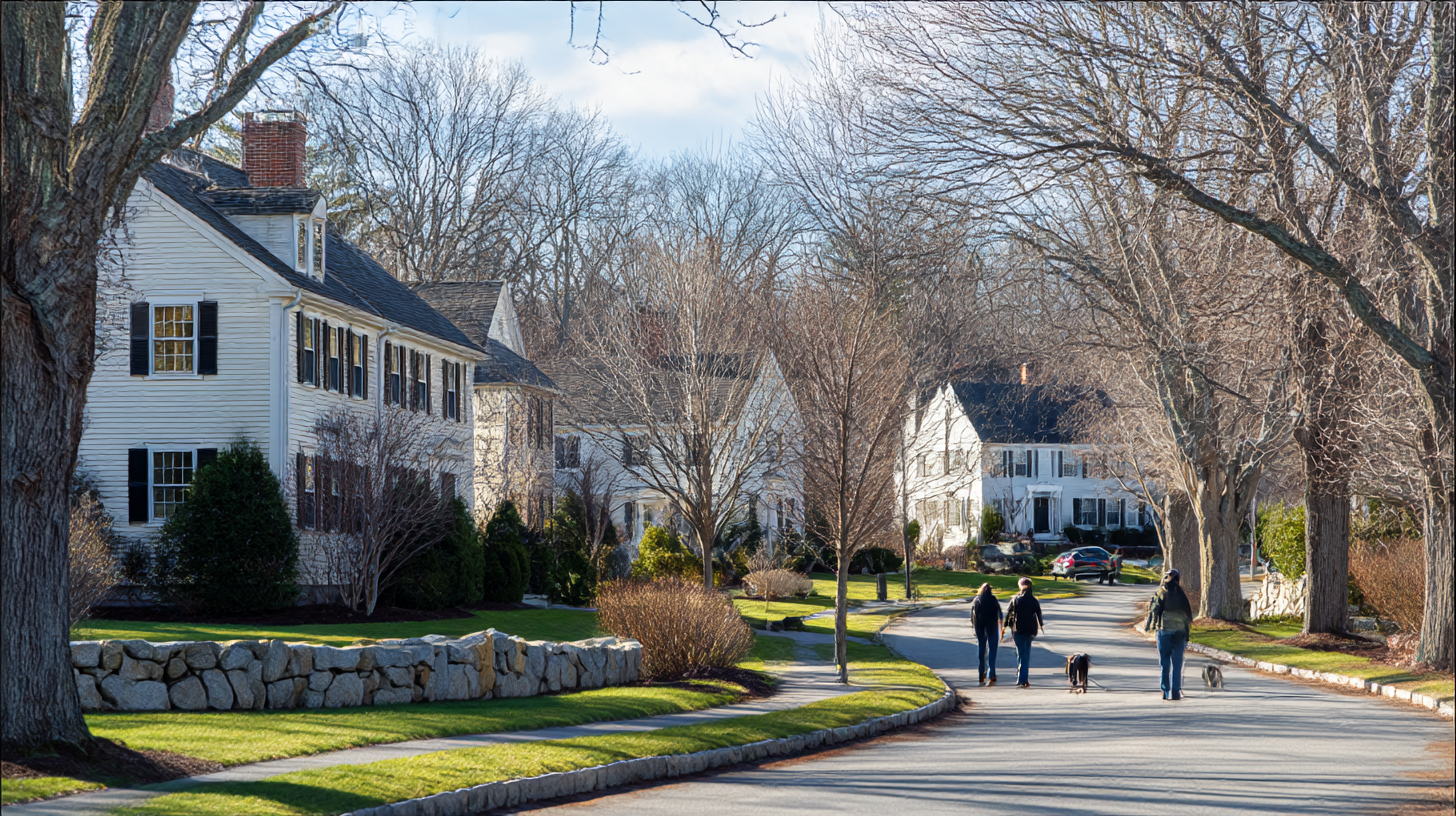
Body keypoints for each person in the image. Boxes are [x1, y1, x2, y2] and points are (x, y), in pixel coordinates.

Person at [1144, 568, 1193, 700]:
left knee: (1165, 662)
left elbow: (1154, 611)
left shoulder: (1161, 593)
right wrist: (1186, 633)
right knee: (1177, 663)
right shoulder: (1181, 594)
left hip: (1164, 630)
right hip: (1180, 632)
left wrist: (1151, 626)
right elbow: (1188, 615)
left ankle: (1166, 691)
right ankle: (1176, 691)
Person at [1002, 576, 1043, 687]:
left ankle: (1021, 678)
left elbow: (1009, 613)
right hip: (1029, 630)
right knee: (1025, 655)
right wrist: (1041, 625)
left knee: (1020, 654)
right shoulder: (1033, 600)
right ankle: (1023, 678)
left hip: (1017, 629)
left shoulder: (1015, 599)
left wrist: (1005, 626)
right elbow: (1039, 614)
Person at [970, 583, 1003, 686]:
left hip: (980, 627)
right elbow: (1000, 614)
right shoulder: (993, 599)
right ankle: (991, 673)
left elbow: (973, 615)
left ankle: (981, 673)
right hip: (992, 627)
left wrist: (973, 626)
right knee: (992, 650)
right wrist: (1001, 625)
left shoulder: (977, 600)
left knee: (982, 651)